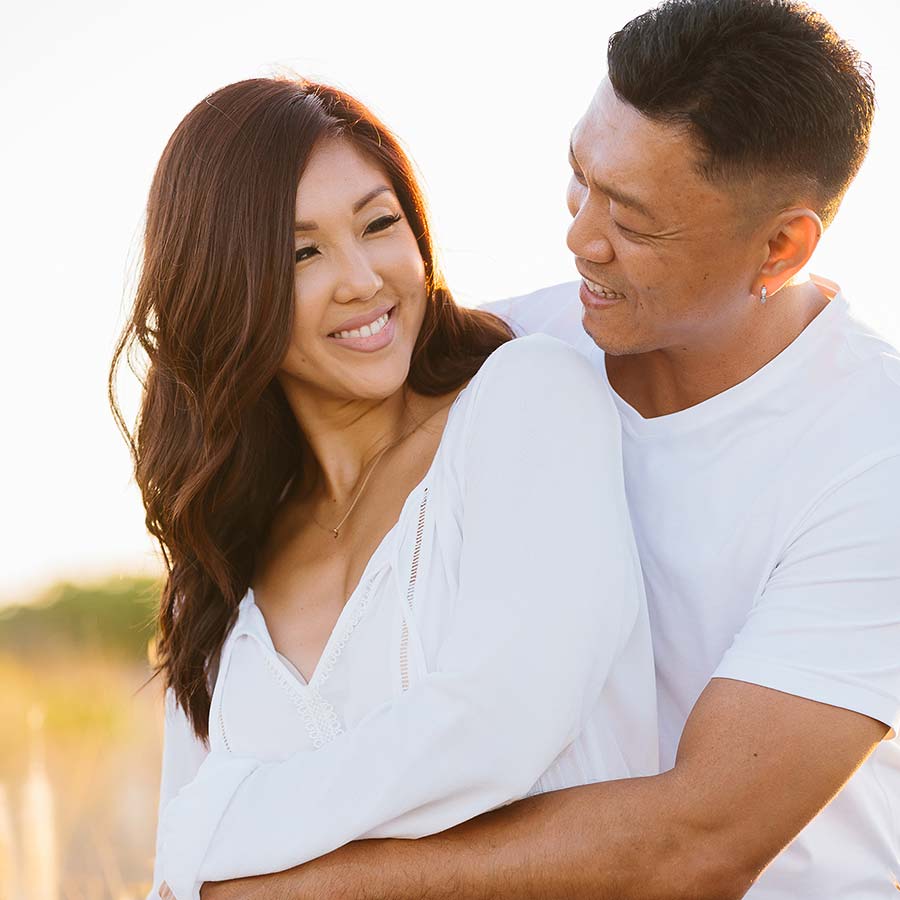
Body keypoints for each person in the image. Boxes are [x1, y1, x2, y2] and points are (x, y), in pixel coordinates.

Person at [192, 2, 900, 899]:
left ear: (781, 246)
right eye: (581, 177)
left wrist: (258, 882)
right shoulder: (506, 353)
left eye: (634, 223)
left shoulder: (873, 460)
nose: (579, 238)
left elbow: (700, 845)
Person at [109, 78, 659, 900]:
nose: (363, 279)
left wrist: (211, 823)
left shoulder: (526, 400)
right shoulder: (220, 573)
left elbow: (497, 726)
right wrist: (198, 845)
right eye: (302, 253)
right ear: (224, 288)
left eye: (379, 224)